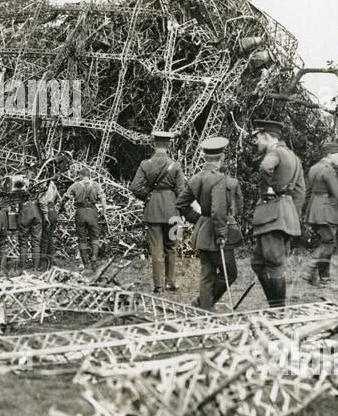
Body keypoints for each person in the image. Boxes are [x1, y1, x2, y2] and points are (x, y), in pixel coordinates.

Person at [175, 136, 243, 310]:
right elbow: (218, 210)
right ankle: (204, 305)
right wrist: (221, 234)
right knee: (230, 273)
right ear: (221, 158)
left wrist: (198, 219)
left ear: (205, 157)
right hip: (219, 232)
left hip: (203, 231)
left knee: (207, 274)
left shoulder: (196, 178)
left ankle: (203, 307)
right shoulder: (219, 178)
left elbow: (180, 204)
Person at [248, 121, 306, 308]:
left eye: (258, 138)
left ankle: (278, 310)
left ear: (267, 136)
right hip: (284, 215)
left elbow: (265, 168)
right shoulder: (294, 157)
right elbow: (300, 191)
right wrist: (291, 217)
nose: (256, 142)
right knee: (258, 263)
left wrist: (266, 190)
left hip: (272, 214)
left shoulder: (274, 153)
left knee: (273, 264)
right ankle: (275, 306)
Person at [129, 130, 186, 293]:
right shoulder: (175, 165)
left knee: (156, 249)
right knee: (172, 247)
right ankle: (170, 282)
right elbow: (181, 192)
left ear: (154, 144)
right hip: (173, 211)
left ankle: (158, 286)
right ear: (168, 145)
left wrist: (147, 196)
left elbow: (134, 187)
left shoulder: (145, 164)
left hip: (153, 210)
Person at [301, 142, 338, 290]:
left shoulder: (314, 168)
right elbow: (337, 193)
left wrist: (304, 211)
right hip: (326, 210)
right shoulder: (328, 170)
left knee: (326, 242)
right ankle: (311, 269)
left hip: (314, 210)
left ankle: (323, 279)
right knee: (329, 243)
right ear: (330, 155)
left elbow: (307, 192)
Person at [64, 165, 105, 271]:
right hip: (92, 212)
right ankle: (94, 258)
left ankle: (85, 263)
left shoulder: (75, 185)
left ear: (81, 176)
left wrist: (62, 208)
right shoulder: (96, 185)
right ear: (89, 175)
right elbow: (103, 200)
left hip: (80, 213)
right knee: (95, 237)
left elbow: (66, 198)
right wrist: (103, 212)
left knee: (82, 238)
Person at [39, 178, 60, 267]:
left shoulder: (44, 184)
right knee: (50, 238)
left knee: (44, 239)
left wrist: (45, 215)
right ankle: (51, 261)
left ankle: (43, 264)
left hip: (48, 211)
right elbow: (59, 198)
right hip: (53, 210)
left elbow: (42, 201)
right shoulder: (52, 184)